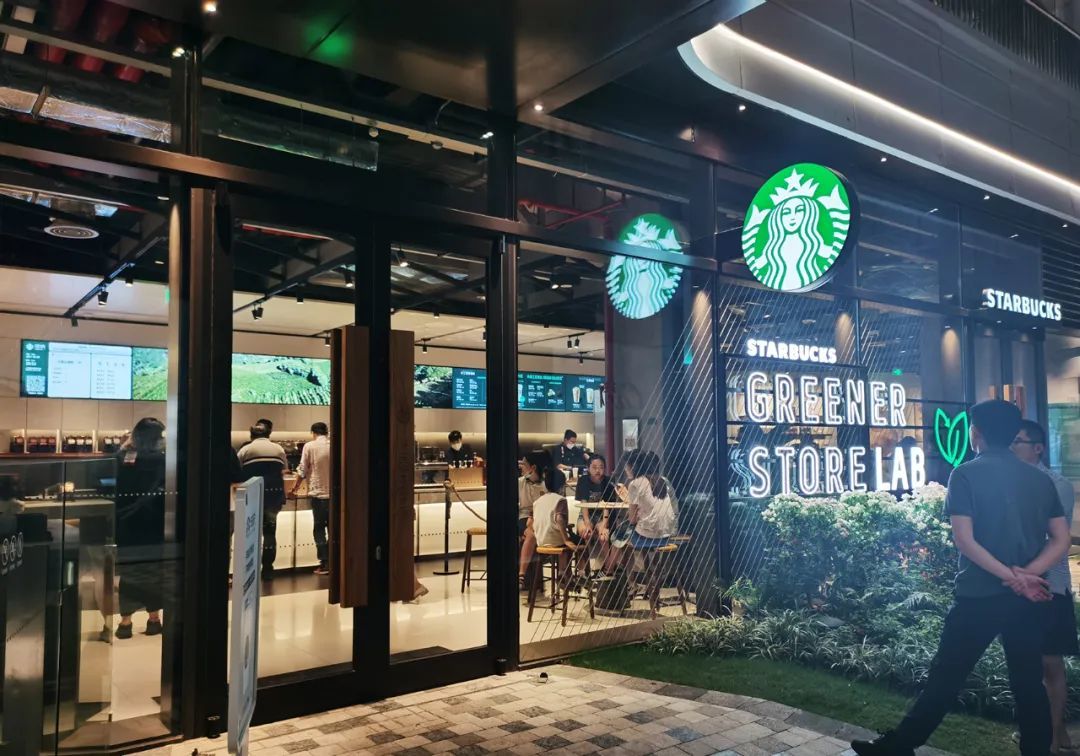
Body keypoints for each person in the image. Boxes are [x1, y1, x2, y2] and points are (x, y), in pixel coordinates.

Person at [853, 400, 1070, 756]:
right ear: (1012, 434)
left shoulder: (965, 474)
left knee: (946, 676)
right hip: (1027, 599)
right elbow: (1061, 539)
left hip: (978, 597)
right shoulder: (1039, 479)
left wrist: (1010, 576)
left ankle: (900, 746)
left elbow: (965, 541)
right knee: (1029, 684)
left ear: (976, 432)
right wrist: (1025, 576)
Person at [1012, 419, 1079, 754]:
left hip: (1050, 585)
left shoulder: (1057, 484)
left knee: (1050, 662)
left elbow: (1053, 537)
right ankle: (1050, 730)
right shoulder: (1011, 482)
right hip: (1018, 585)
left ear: (1038, 448)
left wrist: (1025, 572)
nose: (1012, 448)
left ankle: (1053, 735)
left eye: (1018, 442)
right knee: (1029, 662)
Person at [114, 418, 167, 639]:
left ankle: (125, 623)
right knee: (153, 571)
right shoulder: (161, 459)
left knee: (129, 571)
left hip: (127, 522)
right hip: (154, 522)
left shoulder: (121, 457)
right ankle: (154, 619)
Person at [238, 422, 288, 580]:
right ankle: (268, 569)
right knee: (270, 533)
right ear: (268, 434)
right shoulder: (278, 449)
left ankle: (250, 570)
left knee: (251, 534)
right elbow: (284, 470)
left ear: (252, 435)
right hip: (274, 497)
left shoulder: (246, 450)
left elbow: (237, 473)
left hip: (252, 497)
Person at [292, 422, 331, 575]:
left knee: (319, 529)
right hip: (335, 496)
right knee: (334, 530)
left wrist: (294, 488)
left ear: (313, 432)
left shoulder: (309, 446)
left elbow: (302, 470)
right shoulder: (334, 445)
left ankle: (325, 563)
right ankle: (335, 560)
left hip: (318, 494)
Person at [618, 450, 677, 550]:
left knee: (618, 538)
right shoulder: (661, 480)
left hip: (646, 538)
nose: (625, 469)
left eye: (627, 466)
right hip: (666, 536)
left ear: (633, 467)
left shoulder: (634, 484)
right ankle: (648, 559)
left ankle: (612, 561)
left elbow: (632, 520)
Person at [574, 455, 619, 572]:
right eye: (594, 467)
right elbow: (584, 503)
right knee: (585, 533)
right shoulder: (583, 480)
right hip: (586, 514)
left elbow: (606, 505)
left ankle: (608, 567)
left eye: (601, 467)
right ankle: (585, 569)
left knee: (604, 536)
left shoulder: (608, 481)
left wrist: (604, 524)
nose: (598, 470)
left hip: (601, 515)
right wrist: (587, 523)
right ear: (588, 468)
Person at [517, 450, 551, 591]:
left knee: (531, 533)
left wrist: (534, 517)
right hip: (524, 517)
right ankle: (522, 576)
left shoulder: (546, 483)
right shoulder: (520, 482)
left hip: (542, 517)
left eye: (524, 464)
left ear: (533, 467)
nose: (521, 466)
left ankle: (522, 575)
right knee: (530, 533)